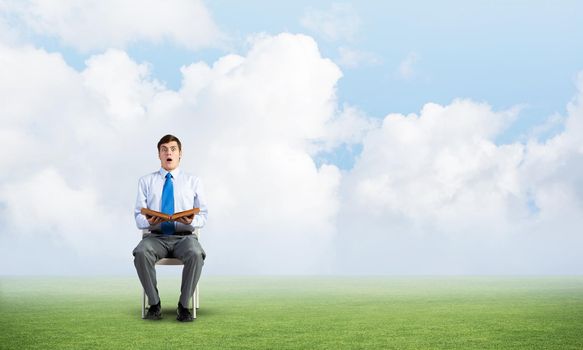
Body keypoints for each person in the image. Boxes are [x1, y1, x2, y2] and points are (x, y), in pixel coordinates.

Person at [133, 134, 207, 322]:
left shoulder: (193, 181)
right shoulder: (145, 181)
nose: (169, 153)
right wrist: (148, 221)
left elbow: (203, 216)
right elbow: (138, 216)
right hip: (155, 237)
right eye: (164, 149)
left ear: (180, 154)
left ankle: (183, 306)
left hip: (185, 237)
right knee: (141, 252)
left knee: (196, 254)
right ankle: (154, 304)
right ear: (159, 154)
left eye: (173, 149)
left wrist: (191, 221)